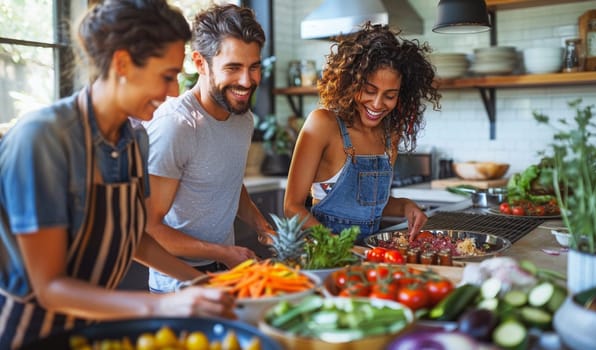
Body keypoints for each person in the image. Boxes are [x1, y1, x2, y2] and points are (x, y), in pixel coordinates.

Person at [0, 1, 235, 348]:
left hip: (96, 330)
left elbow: (133, 238)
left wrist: (201, 283)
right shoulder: (43, 139)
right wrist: (166, 305)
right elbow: (49, 288)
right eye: (167, 76)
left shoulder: (133, 138)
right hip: (30, 333)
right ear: (123, 63)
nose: (173, 91)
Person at [144, 4, 275, 294]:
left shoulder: (243, 119)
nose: (246, 81)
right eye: (233, 68)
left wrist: (261, 226)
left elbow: (228, 181)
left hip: (223, 274)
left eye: (253, 67)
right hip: (176, 284)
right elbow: (149, 228)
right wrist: (224, 252)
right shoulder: (176, 126)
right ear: (200, 63)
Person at [284, 23, 442, 243]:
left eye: (390, 95)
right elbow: (292, 206)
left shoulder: (390, 136)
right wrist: (334, 245)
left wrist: (406, 205)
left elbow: (371, 204)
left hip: (367, 257)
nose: (377, 104)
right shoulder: (324, 124)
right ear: (350, 84)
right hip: (325, 255)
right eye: (369, 91)